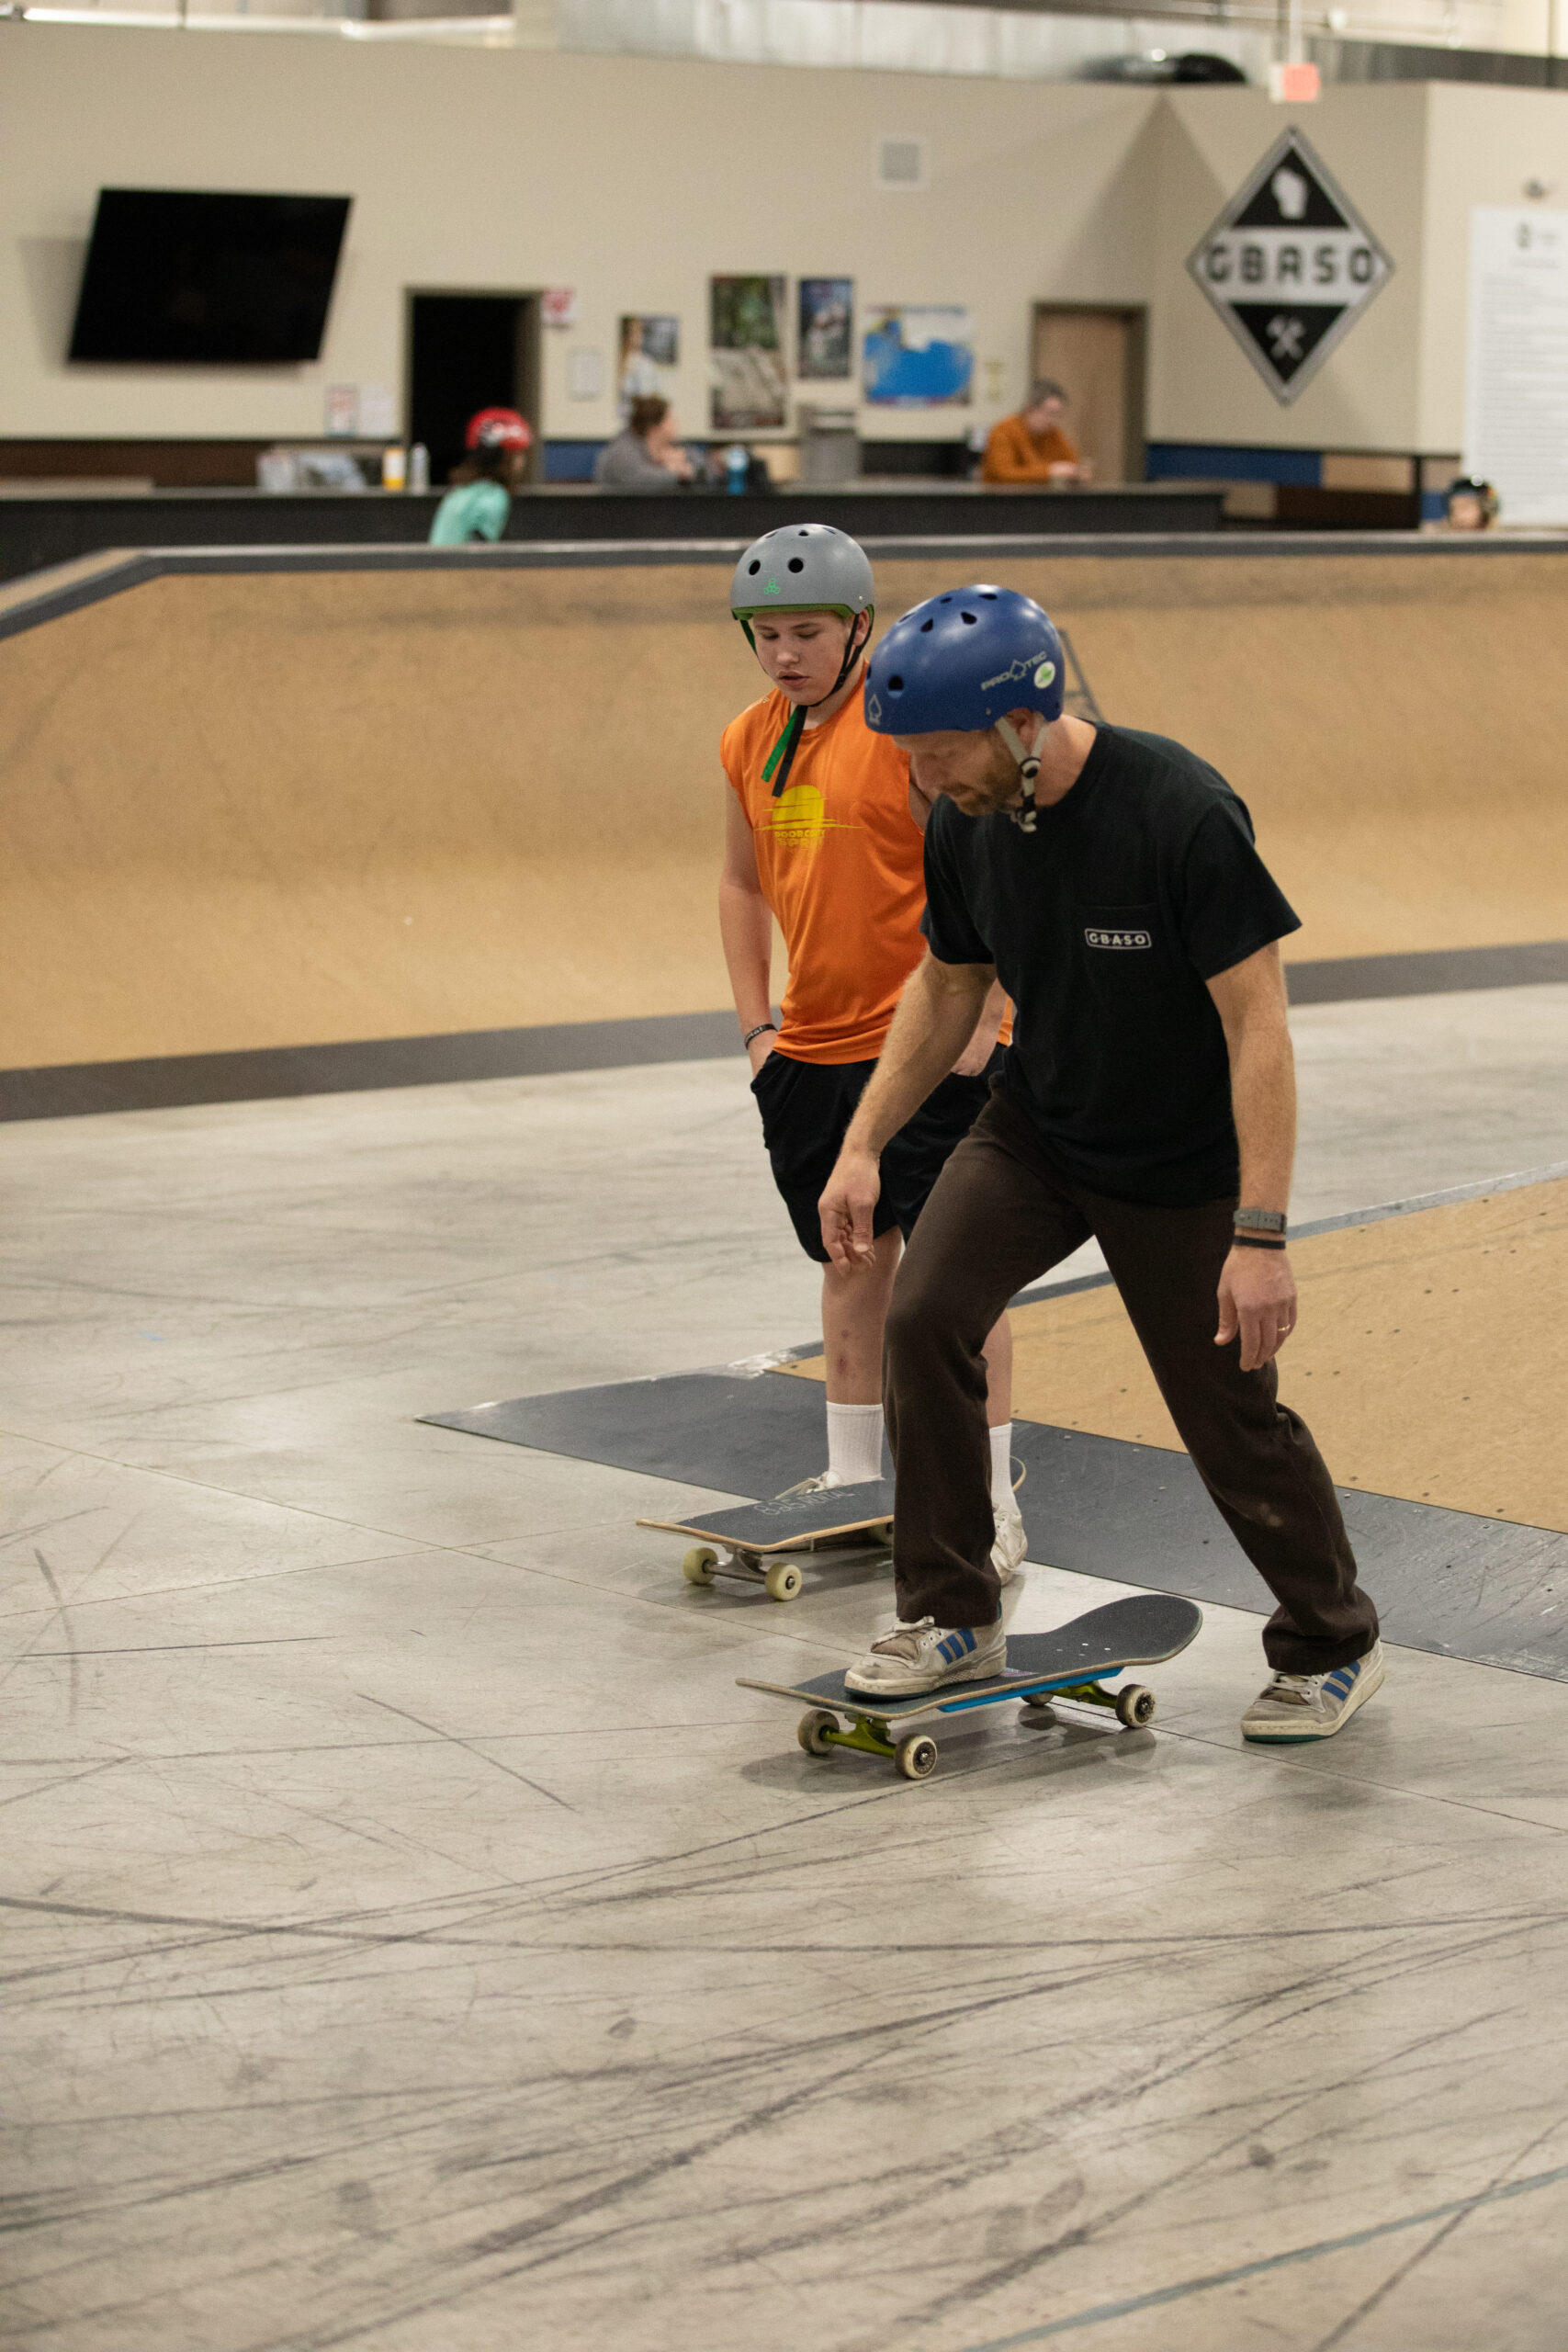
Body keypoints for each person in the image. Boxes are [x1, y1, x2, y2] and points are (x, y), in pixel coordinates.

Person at [818, 585, 1383, 1742]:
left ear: (1022, 723)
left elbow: (1258, 1025)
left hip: (1179, 1166)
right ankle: (949, 1613)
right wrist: (863, 1142)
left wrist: (1261, 1235)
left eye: (939, 752)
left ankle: (1331, 1641)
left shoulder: (1178, 811)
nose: (926, 780)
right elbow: (948, 982)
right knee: (924, 1317)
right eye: (911, 758)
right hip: (1035, 1129)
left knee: (1225, 1409)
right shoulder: (966, 818)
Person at [719, 527, 1025, 1577]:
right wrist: (758, 1028)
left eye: (806, 631)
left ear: (859, 627)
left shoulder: (903, 731)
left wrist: (990, 1017)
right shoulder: (748, 741)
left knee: (955, 1279)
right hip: (810, 1046)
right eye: (765, 634)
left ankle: (991, 1496)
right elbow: (739, 883)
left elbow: (996, 854)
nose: (785, 653)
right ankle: (856, 1483)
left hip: (935, 1042)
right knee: (852, 1262)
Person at [427, 408, 532, 545]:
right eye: (517, 454)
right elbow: (478, 556)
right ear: (502, 458)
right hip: (455, 566)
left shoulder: (459, 492)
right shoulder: (494, 496)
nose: (522, 462)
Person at [979, 379, 1090, 485]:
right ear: (1030, 408)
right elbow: (1005, 474)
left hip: (1037, 499)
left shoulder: (1052, 433)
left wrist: (1077, 473)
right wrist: (1050, 471)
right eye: (1050, 413)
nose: (1053, 421)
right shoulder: (1003, 431)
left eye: (1058, 415)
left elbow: (1073, 464)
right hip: (1000, 501)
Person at [592, 396, 695, 490]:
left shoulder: (673, 444)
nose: (675, 422)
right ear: (653, 428)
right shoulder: (622, 450)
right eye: (669, 418)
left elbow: (700, 467)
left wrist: (686, 467)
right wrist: (673, 471)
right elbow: (641, 480)